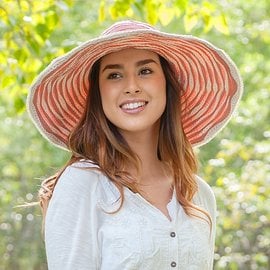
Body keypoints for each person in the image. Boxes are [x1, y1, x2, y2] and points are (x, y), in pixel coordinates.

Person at [27, 20, 243, 270]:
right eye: (114, 75)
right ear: (99, 93)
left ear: (167, 83)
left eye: (145, 71)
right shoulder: (83, 184)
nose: (131, 87)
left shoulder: (199, 194)